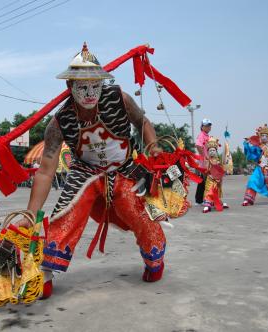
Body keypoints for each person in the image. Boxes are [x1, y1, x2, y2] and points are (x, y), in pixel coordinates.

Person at [16, 43, 166, 299]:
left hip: (125, 167)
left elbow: (143, 122)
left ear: (102, 83)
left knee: (139, 212)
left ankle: (154, 259)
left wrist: (154, 151)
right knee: (66, 212)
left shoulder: (120, 99)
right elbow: (45, 172)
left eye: (95, 86)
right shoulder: (59, 121)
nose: (89, 93)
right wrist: (30, 214)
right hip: (85, 172)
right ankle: (46, 270)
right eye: (82, 87)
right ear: (69, 87)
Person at [242, 124, 268, 206]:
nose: (264, 137)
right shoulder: (257, 147)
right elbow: (251, 151)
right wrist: (247, 144)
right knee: (253, 181)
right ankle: (248, 199)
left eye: (266, 136)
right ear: (260, 136)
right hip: (260, 168)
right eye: (262, 135)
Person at [202, 137, 229, 213]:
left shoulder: (218, 161)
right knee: (209, 191)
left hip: (217, 180)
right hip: (210, 178)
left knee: (217, 192)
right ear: (208, 152)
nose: (212, 152)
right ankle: (207, 204)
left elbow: (221, 170)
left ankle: (218, 202)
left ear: (216, 151)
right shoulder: (207, 161)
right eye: (210, 150)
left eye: (214, 150)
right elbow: (206, 170)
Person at [195, 118, 212, 204]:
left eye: (209, 126)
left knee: (204, 180)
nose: (209, 127)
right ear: (202, 127)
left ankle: (200, 199)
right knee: (205, 180)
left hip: (209, 162)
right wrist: (205, 157)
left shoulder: (208, 136)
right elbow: (198, 146)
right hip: (204, 162)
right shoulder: (201, 135)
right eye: (207, 126)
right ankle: (201, 199)